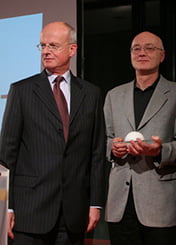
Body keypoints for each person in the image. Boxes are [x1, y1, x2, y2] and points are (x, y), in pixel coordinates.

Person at [0, 22, 106, 244]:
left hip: (73, 214)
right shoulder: (22, 91)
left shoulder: (91, 94)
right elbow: (7, 154)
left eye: (54, 46)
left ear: (72, 49)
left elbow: (96, 154)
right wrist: (6, 206)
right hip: (29, 211)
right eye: (42, 45)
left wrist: (95, 204)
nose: (46, 51)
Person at [103, 31, 176, 245]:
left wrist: (159, 151)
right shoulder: (114, 95)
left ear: (162, 56)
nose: (142, 52)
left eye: (149, 48)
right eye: (136, 48)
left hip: (160, 200)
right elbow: (105, 139)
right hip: (120, 201)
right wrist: (112, 149)